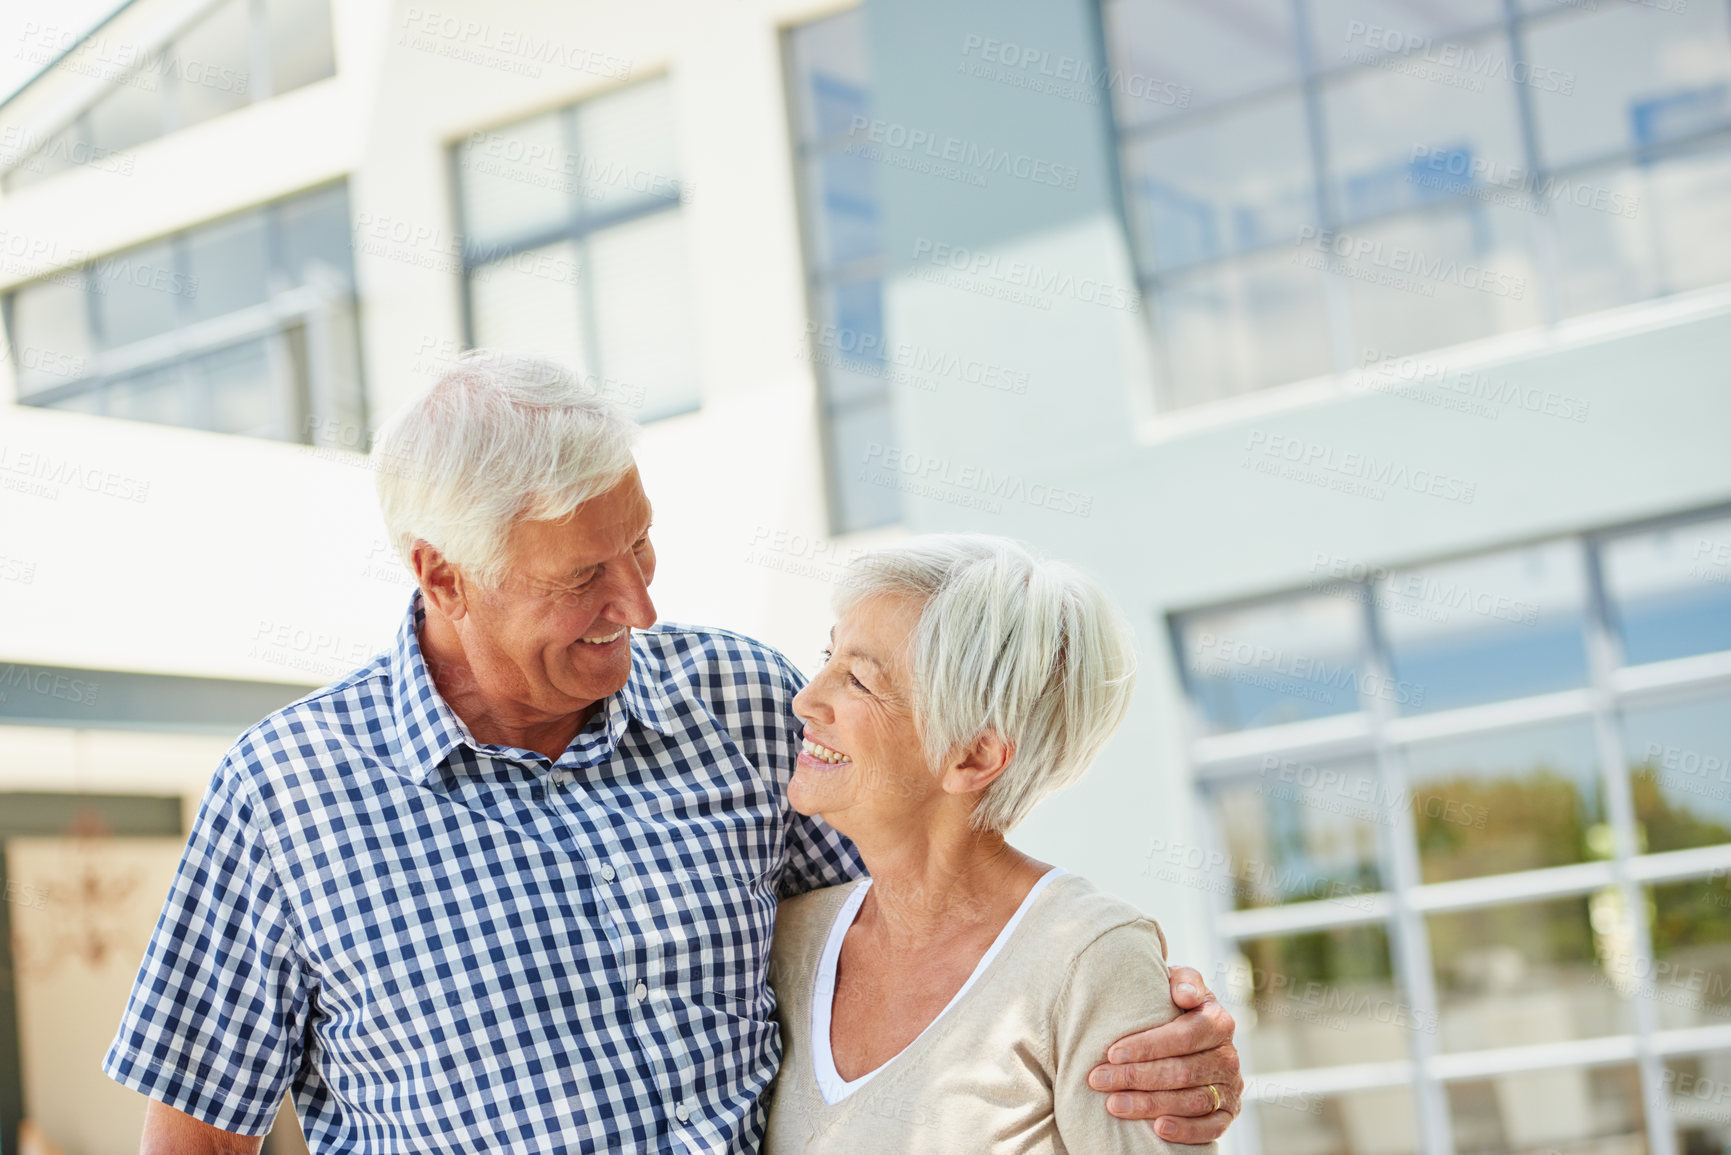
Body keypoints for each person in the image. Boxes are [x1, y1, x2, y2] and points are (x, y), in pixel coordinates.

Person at [104, 352, 1242, 1153]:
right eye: (584, 579)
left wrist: (1140, 1026)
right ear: (443, 577)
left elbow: (922, 925)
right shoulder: (287, 795)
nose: (641, 607)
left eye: (640, 549)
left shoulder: (745, 705)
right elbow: (195, 1137)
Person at [764, 535, 1217, 1153]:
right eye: (827, 655)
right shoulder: (789, 938)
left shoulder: (1090, 959)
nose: (806, 698)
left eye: (859, 681)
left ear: (973, 755)